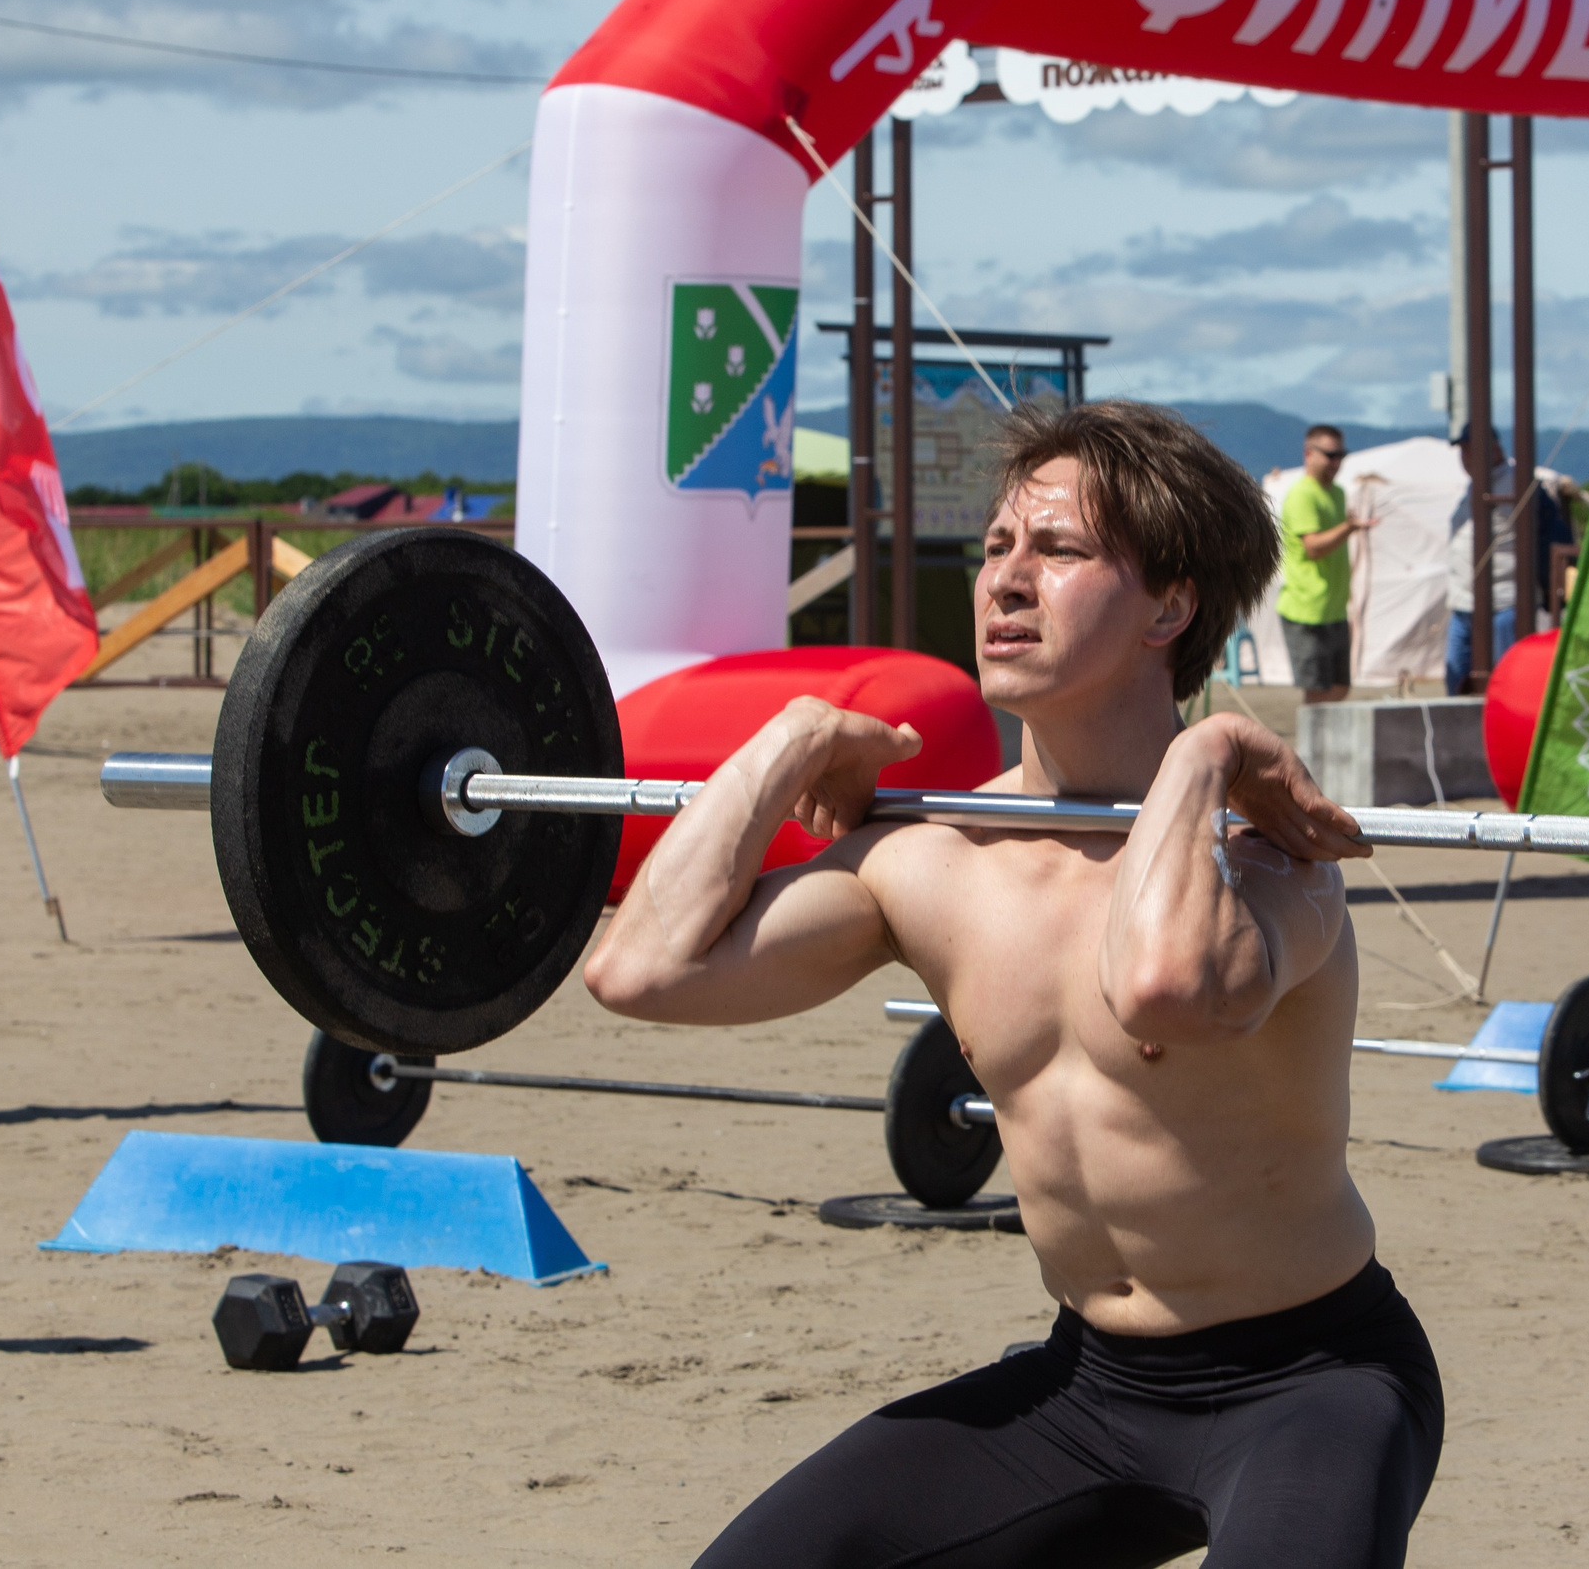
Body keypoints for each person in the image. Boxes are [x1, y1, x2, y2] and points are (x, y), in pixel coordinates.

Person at [587, 399, 1445, 1569]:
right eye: (995, 546)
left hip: (1315, 1381)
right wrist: (788, 738)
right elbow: (642, 967)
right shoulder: (933, 860)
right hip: (1087, 1387)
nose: (1005, 579)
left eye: (1059, 550)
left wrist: (1204, 752)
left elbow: (1162, 989)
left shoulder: (1273, 857)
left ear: (1172, 605)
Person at [1276, 423, 1368, 705]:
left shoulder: (1337, 493)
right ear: (1309, 454)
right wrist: (1349, 528)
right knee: (1317, 694)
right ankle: (1312, 750)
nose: (1337, 462)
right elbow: (1313, 547)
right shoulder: (1302, 494)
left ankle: (1324, 747)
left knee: (1339, 689)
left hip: (1334, 609)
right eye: (1330, 455)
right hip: (1307, 611)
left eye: (1341, 455)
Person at [1445, 459, 1519, 696]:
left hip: (1503, 601)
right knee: (1456, 673)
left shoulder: (1515, 481)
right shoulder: (1473, 485)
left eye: (1468, 448)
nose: (1465, 456)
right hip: (1463, 601)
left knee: (1504, 677)